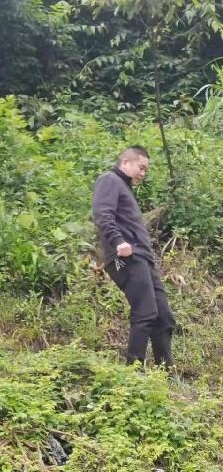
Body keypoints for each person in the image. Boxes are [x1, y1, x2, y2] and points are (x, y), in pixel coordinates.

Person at [92, 145, 175, 366]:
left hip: (142, 259)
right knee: (145, 312)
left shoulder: (124, 188)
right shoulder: (110, 179)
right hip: (125, 258)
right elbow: (102, 214)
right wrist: (119, 241)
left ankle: (165, 373)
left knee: (163, 316)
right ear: (125, 163)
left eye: (146, 169)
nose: (143, 173)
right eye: (141, 167)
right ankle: (133, 372)